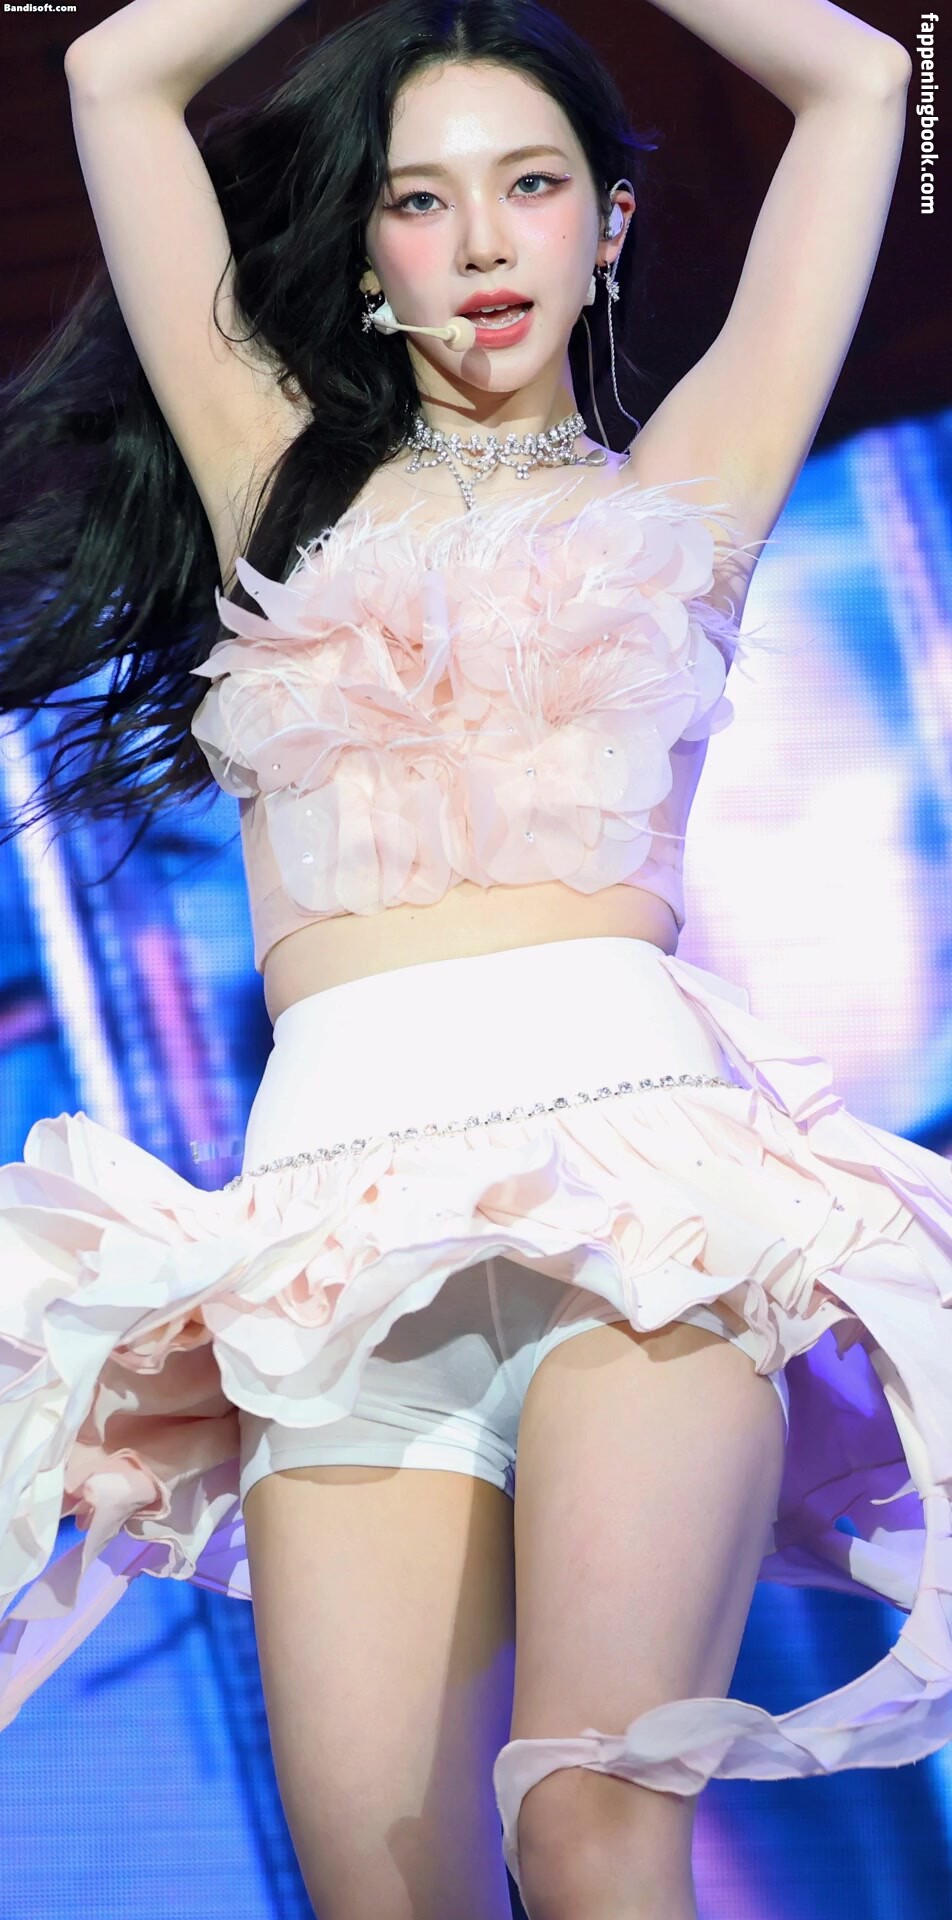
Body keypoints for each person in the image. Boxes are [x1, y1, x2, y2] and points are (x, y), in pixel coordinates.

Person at [0, 2, 935, 1918]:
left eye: (532, 185)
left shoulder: (687, 490)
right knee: (384, 1896)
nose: (484, 242)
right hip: (331, 1248)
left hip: (644, 1221)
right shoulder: (268, 480)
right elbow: (113, 75)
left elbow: (864, 83)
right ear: (368, 252)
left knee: (591, 1826)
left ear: (609, 225)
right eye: (423, 201)